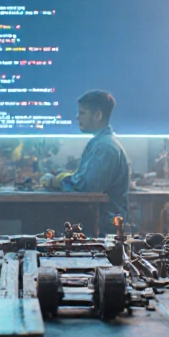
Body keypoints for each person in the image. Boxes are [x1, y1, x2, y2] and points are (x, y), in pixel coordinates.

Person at [44, 90, 131, 235]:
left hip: (104, 228)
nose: (77, 117)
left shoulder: (105, 147)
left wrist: (58, 182)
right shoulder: (100, 143)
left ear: (98, 115)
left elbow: (87, 187)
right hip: (99, 223)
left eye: (82, 113)